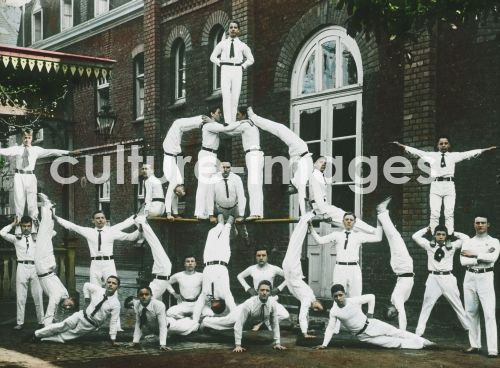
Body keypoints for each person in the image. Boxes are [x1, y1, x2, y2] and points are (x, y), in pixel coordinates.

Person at [392, 137, 496, 235]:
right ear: (437, 145)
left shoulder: (453, 156)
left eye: (446, 143)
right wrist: (402, 146)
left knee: (449, 213)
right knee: (434, 213)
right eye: (441, 143)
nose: (443, 145)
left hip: (449, 185)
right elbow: (418, 152)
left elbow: (468, 153)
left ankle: (450, 236)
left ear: (449, 145)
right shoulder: (432, 156)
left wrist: (485, 150)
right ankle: (434, 236)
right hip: (436, 185)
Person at [316, 284, 435, 350]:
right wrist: (324, 344)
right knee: (392, 343)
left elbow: (371, 297)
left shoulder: (353, 301)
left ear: (344, 294)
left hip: (372, 324)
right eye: (335, 296)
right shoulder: (334, 311)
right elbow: (330, 329)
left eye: (340, 295)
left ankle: (424, 341)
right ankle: (419, 346)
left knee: (397, 332)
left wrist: (370, 314)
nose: (338, 298)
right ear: (332, 297)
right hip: (362, 336)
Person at [0, 128, 73, 233]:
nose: (26, 140)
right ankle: (18, 230)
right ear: (22, 137)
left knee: (32, 203)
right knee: (19, 201)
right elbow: (4, 151)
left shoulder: (36, 150)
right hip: (19, 176)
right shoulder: (16, 149)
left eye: (29, 138)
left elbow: (51, 152)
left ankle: (34, 229)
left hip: (30, 176)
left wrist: (68, 152)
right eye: (25, 137)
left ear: (31, 138)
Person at [247, 107, 312, 216]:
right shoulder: (299, 183)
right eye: (290, 190)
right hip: (300, 151)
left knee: (280, 129)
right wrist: (305, 213)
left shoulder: (297, 180)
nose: (290, 191)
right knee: (280, 129)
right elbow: (302, 196)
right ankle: (254, 117)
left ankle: (254, 117)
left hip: (298, 153)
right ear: (292, 187)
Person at [54, 210, 140, 286]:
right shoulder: (88, 232)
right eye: (98, 218)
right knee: (95, 289)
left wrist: (140, 229)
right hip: (95, 264)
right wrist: (56, 218)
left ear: (105, 220)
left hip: (109, 264)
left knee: (112, 287)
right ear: (93, 221)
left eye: (102, 218)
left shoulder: (112, 232)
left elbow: (131, 237)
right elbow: (72, 226)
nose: (100, 220)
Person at [412, 224, 469, 337]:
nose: (441, 236)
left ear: (446, 236)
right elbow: (415, 236)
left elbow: (466, 238)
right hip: (433, 278)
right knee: (426, 305)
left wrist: (453, 233)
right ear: (434, 235)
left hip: (448, 278)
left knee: (457, 304)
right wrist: (426, 229)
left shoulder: (452, 246)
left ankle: (469, 329)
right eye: (438, 234)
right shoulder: (429, 245)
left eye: (443, 234)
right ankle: (418, 333)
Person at [309, 212, 382, 297]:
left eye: (351, 220)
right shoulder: (336, 235)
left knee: (356, 296)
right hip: (340, 268)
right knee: (338, 295)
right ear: (343, 221)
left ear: (354, 222)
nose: (349, 221)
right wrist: (310, 227)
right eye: (346, 219)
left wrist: (380, 218)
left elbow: (378, 238)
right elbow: (320, 240)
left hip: (354, 268)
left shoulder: (359, 236)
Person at [34, 275, 121, 344]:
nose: (110, 284)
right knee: (62, 325)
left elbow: (113, 321)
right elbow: (86, 285)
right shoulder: (99, 290)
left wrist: (113, 338)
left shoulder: (116, 304)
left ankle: (44, 339)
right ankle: (36, 334)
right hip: (81, 315)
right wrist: (87, 299)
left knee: (65, 336)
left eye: (114, 283)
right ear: (105, 283)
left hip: (90, 324)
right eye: (109, 282)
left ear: (118, 287)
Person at [460, 215, 499, 358]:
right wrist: (482, 256)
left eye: (483, 223)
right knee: (470, 312)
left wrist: (474, 255)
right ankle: (475, 345)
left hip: (486, 277)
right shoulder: (468, 241)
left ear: (488, 225)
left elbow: (492, 258)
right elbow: (463, 261)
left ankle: (492, 349)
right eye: (477, 223)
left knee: (489, 313)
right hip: (469, 277)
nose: (480, 225)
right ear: (474, 224)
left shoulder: (494, 241)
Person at [35, 194, 75, 326]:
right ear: (71, 300)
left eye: (67, 307)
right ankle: (50, 208)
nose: (68, 305)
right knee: (45, 235)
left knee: (44, 235)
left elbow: (51, 309)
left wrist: (48, 324)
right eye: (71, 305)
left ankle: (49, 207)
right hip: (49, 267)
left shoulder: (57, 298)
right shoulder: (65, 293)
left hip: (42, 267)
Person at [376, 197, 414, 331]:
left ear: (389, 307)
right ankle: (382, 216)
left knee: (394, 237)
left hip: (402, 267)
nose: (394, 313)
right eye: (393, 315)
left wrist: (402, 331)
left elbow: (402, 314)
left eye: (391, 312)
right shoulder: (397, 300)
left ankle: (382, 213)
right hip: (403, 267)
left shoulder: (397, 300)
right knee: (394, 237)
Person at [282, 212, 323, 338]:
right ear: (319, 302)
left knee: (296, 243)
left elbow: (302, 314)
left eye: (316, 310)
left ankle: (306, 218)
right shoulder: (310, 297)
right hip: (292, 272)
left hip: (292, 272)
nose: (315, 309)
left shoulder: (307, 299)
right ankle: (305, 220)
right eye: (318, 308)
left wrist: (305, 333)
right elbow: (306, 314)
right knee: (295, 244)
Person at [309, 156, 376, 233]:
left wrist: (329, 181)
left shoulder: (318, 175)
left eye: (325, 163)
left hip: (321, 207)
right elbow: (317, 196)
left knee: (347, 221)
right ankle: (372, 231)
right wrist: (324, 213)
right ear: (314, 164)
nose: (323, 164)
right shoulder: (315, 176)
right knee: (346, 218)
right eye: (320, 162)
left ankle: (371, 231)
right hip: (321, 208)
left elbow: (321, 186)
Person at [0, 216, 44, 329]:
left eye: (28, 226)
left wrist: (38, 224)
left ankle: (41, 321)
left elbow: (52, 233)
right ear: (21, 226)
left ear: (31, 226)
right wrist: (13, 224)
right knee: (21, 296)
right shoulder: (16, 238)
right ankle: (20, 322)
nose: (26, 228)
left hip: (35, 267)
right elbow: (2, 233)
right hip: (21, 266)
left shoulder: (38, 237)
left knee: (38, 295)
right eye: (24, 226)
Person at [192, 215, 237, 323]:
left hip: (207, 260)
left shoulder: (206, 295)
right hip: (222, 260)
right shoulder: (225, 294)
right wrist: (236, 320)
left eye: (213, 305)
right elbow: (233, 306)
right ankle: (230, 219)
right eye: (216, 304)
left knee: (211, 233)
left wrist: (194, 320)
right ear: (221, 302)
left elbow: (199, 305)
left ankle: (220, 222)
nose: (213, 302)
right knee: (225, 233)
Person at [210, 20, 254, 126]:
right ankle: (227, 121)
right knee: (226, 94)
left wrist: (243, 66)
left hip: (237, 69)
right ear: (228, 30)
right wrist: (221, 63)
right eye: (231, 27)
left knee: (235, 95)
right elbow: (212, 57)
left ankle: (233, 120)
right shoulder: (222, 44)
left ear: (238, 30)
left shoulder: (242, 45)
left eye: (235, 27)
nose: (233, 29)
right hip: (225, 69)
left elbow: (251, 59)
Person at [223, 106, 263, 220]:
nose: (237, 117)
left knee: (253, 184)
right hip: (254, 154)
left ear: (244, 115)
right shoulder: (250, 124)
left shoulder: (245, 125)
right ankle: (258, 213)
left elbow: (229, 131)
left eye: (238, 115)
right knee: (256, 184)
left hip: (253, 154)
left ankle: (255, 213)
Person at [162, 115, 204, 219]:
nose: (182, 188)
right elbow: (175, 196)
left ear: (177, 190)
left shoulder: (174, 182)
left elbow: (169, 197)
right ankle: (199, 123)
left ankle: (200, 119)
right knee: (180, 128)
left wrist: (168, 214)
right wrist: (175, 214)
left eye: (181, 190)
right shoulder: (179, 181)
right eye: (183, 190)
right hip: (172, 153)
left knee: (177, 124)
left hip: (169, 150)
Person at [237, 247, 290, 324]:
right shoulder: (252, 269)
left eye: (263, 255)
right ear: (256, 257)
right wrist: (248, 288)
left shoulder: (273, 268)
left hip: (269, 299)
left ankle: (264, 324)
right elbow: (239, 276)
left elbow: (289, 277)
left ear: (267, 256)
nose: (261, 258)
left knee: (285, 315)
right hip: (255, 299)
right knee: (237, 314)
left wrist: (279, 288)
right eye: (258, 255)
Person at [233, 280, 287, 353]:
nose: (264, 293)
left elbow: (275, 323)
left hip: (253, 319)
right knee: (223, 323)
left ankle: (258, 325)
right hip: (238, 313)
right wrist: (238, 345)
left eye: (267, 290)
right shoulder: (248, 304)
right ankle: (211, 322)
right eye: (262, 290)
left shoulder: (272, 303)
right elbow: (239, 324)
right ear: (257, 291)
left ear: (270, 292)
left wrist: (277, 343)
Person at [194, 107, 225, 219]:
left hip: (211, 155)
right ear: (212, 114)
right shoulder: (209, 125)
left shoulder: (213, 125)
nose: (220, 115)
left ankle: (206, 212)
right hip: (207, 154)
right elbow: (224, 128)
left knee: (209, 185)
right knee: (203, 184)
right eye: (218, 113)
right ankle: (199, 212)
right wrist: (212, 121)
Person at [207, 162, 249, 245]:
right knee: (224, 230)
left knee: (242, 227)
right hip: (221, 209)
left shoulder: (236, 178)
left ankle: (245, 239)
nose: (225, 170)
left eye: (227, 167)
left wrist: (241, 215)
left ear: (230, 168)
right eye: (223, 167)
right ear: (220, 168)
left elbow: (241, 196)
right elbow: (210, 196)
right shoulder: (214, 178)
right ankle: (229, 245)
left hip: (235, 207)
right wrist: (211, 215)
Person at [133, 215, 172, 300]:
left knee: (154, 243)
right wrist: (173, 292)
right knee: (154, 243)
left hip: (161, 271)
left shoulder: (147, 296)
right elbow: (165, 284)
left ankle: (140, 221)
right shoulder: (148, 299)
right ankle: (140, 223)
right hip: (164, 273)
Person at [127, 286, 169, 350]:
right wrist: (135, 341)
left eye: (146, 294)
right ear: (138, 296)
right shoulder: (137, 305)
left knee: (186, 327)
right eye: (141, 295)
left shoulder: (158, 305)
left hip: (170, 326)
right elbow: (138, 323)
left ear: (151, 295)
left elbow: (163, 326)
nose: (144, 297)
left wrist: (163, 344)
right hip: (155, 330)